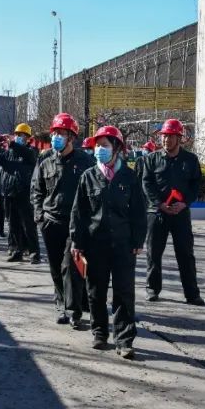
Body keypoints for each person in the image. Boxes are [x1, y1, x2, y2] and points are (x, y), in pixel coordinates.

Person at [70, 126, 145, 359]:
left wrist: (138, 240)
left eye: (104, 145)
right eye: (97, 145)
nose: (99, 150)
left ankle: (124, 339)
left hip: (123, 245)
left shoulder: (130, 177)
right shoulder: (88, 176)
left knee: (124, 293)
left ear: (117, 148)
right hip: (96, 244)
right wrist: (77, 242)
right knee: (96, 291)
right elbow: (79, 213)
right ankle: (100, 332)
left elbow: (139, 212)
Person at [31, 113, 93, 327]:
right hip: (50, 222)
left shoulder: (85, 162)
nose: (56, 137)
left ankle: (74, 310)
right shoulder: (45, 159)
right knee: (56, 267)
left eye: (61, 133)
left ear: (71, 137)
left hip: (75, 224)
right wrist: (39, 216)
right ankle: (61, 303)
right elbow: (36, 189)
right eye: (54, 133)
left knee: (71, 266)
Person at [137, 118, 204, 306]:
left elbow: (195, 185)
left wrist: (184, 203)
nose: (166, 140)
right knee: (154, 253)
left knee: (185, 254)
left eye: (171, 136)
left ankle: (192, 294)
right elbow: (146, 183)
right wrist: (159, 204)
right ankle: (152, 289)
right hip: (157, 213)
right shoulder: (151, 159)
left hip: (180, 214)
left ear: (179, 138)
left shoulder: (191, 160)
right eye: (164, 136)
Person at [0, 123, 41, 263]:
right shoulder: (9, 152)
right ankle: (16, 250)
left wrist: (13, 144)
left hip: (25, 193)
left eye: (21, 135)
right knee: (13, 224)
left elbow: (26, 154)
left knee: (28, 224)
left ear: (27, 138)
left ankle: (34, 253)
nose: (18, 137)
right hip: (10, 193)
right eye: (17, 135)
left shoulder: (32, 151)